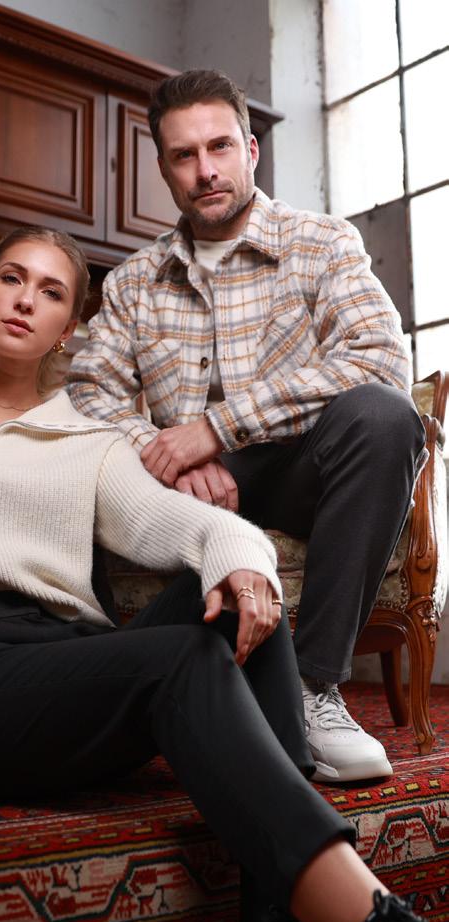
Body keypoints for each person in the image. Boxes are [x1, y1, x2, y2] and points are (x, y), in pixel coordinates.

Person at [0, 226, 446, 922]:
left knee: (239, 592)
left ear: (68, 329)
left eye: (51, 291)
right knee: (185, 655)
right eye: (11, 278)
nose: (25, 300)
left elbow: (177, 523)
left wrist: (242, 557)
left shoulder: (87, 438)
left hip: (70, 666)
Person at [67, 69, 427, 785]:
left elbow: (380, 359)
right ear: (163, 167)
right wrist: (164, 453)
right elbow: (87, 392)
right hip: (183, 493)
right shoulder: (134, 281)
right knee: (73, 460)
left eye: (220, 147)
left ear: (251, 149)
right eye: (183, 155)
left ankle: (314, 690)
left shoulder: (321, 242)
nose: (205, 170)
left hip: (302, 475)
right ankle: (105, 694)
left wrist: (216, 428)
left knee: (386, 416)